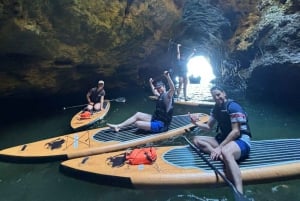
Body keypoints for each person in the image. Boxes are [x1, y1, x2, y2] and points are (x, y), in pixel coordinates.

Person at [189, 86, 251, 194]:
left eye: (218, 95)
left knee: (225, 151)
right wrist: (195, 123)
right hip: (224, 139)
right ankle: (221, 156)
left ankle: (239, 193)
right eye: (214, 97)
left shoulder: (233, 107)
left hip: (241, 140)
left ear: (224, 93)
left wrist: (219, 147)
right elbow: (208, 127)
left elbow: (236, 132)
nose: (217, 98)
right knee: (196, 139)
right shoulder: (216, 108)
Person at [107, 71, 175, 133]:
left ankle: (149, 127)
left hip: (162, 125)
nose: (159, 90)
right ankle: (118, 126)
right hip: (156, 119)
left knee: (137, 123)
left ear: (164, 87)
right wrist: (150, 83)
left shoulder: (167, 96)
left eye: (160, 88)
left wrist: (167, 76)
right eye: (157, 88)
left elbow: (172, 89)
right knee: (138, 114)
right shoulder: (160, 95)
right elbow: (154, 92)